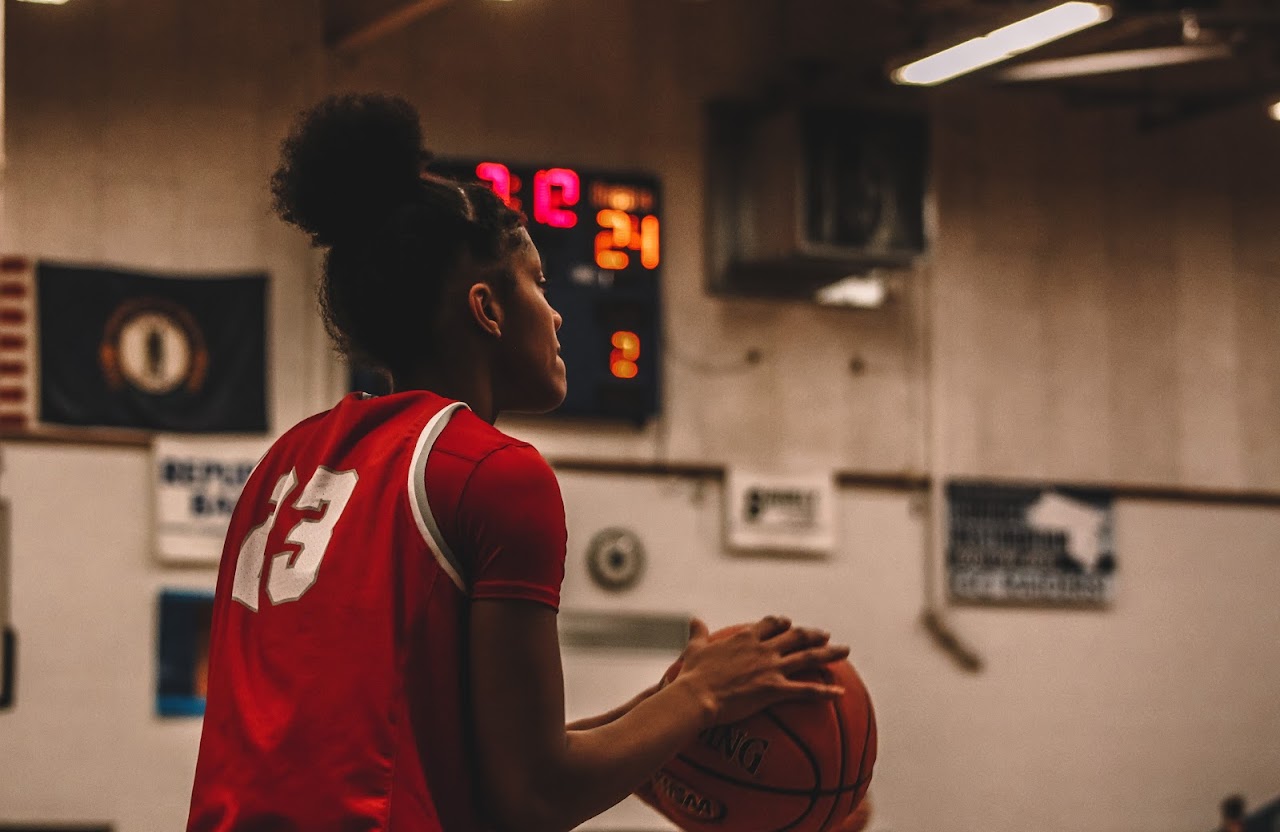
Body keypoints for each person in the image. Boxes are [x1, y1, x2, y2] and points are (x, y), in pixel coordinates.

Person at [186, 93, 850, 832]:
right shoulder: (492, 473)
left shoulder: (284, 463)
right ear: (487, 309)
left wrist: (668, 706)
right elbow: (531, 800)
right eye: (537, 280)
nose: (558, 311)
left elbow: (469, 757)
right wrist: (700, 701)